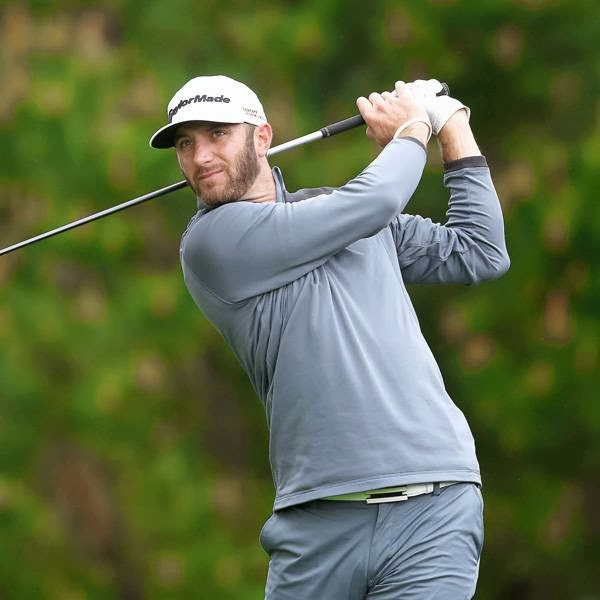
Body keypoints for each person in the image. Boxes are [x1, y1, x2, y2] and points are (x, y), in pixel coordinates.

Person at [149, 74, 510, 599]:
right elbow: (376, 198)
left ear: (262, 136)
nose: (200, 155)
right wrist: (413, 127)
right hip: (318, 525)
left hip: (434, 510)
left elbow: (480, 251)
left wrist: (451, 121)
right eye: (185, 143)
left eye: (217, 134)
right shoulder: (211, 244)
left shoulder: (347, 212)